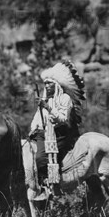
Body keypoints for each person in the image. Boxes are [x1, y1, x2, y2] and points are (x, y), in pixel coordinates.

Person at [29, 60, 85, 199]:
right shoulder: (45, 98)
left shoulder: (65, 99)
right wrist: (34, 128)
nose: (47, 86)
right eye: (46, 83)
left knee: (41, 158)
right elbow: (38, 116)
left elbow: (63, 119)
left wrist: (47, 107)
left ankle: (47, 187)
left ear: (57, 85)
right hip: (44, 132)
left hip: (60, 133)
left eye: (50, 83)